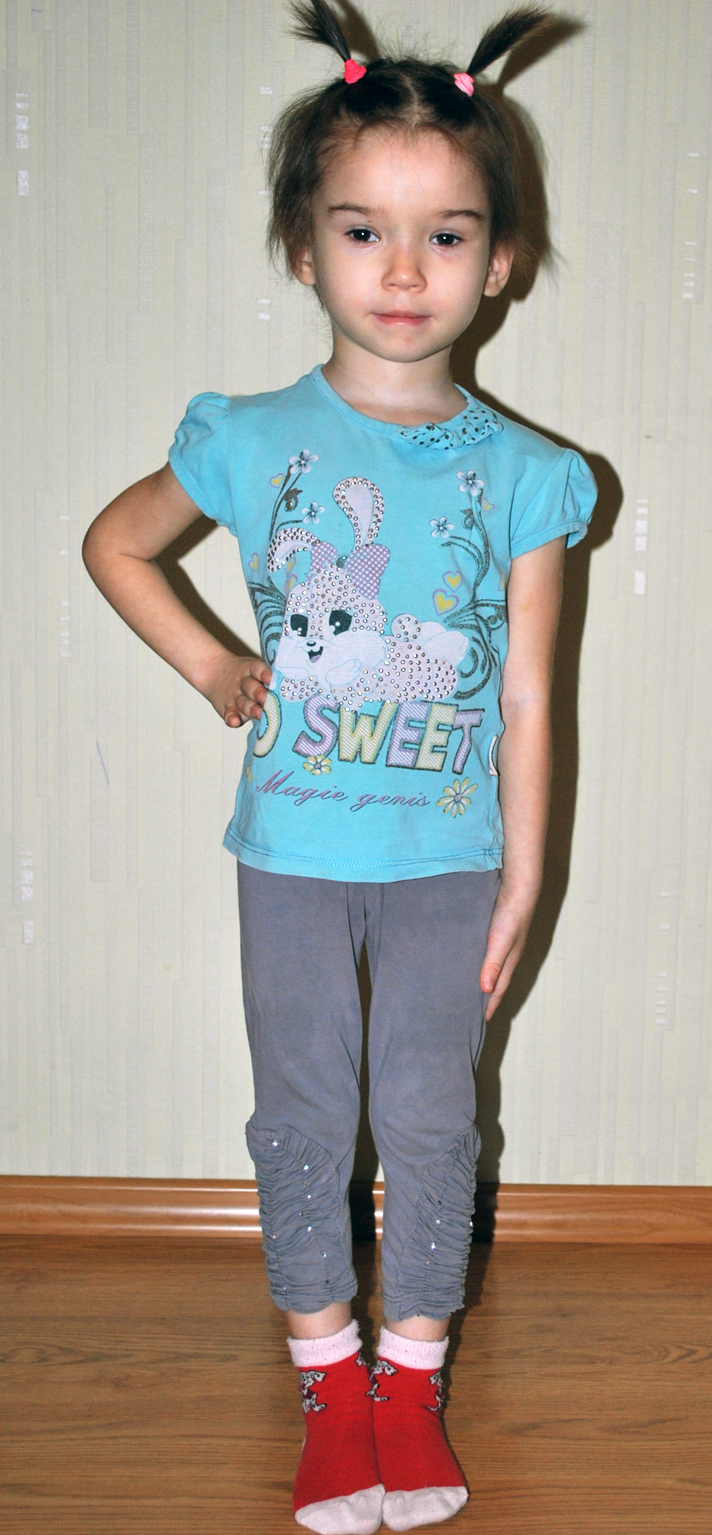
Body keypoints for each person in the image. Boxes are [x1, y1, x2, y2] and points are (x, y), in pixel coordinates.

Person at [82, 3, 593, 1532]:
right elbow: (118, 545)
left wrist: (526, 874)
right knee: (302, 1117)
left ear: (501, 262)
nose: (404, 268)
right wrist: (212, 667)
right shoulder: (248, 438)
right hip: (294, 858)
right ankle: (326, 1379)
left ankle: (410, 1380)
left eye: (447, 234)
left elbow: (531, 695)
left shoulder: (530, 477)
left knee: (434, 1122)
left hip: (447, 864)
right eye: (365, 228)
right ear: (303, 249)